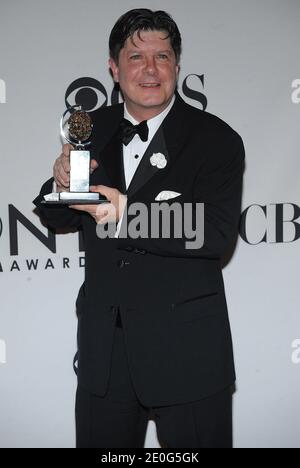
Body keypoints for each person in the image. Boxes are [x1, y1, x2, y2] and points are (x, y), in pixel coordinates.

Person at [34, 8, 245, 448]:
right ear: (113, 67)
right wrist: (59, 183)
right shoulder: (91, 129)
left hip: (188, 354)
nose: (150, 70)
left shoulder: (217, 140)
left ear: (176, 66)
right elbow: (55, 215)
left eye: (162, 57)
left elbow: (216, 231)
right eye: (135, 57)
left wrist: (125, 211)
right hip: (104, 359)